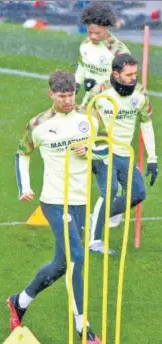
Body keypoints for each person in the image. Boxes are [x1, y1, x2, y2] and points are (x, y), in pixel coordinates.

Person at [9, 70, 106, 344]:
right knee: (78, 256)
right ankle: (83, 326)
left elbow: (106, 148)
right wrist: (24, 187)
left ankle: (20, 301)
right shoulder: (38, 125)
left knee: (62, 265)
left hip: (81, 200)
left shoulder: (89, 117)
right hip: (54, 201)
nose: (67, 100)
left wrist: (91, 151)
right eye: (62, 96)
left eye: (71, 95)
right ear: (51, 94)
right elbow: (22, 153)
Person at [84, 54, 158, 254]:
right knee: (109, 192)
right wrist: (89, 150)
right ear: (115, 74)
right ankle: (95, 242)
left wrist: (153, 159)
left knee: (138, 194)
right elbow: (83, 120)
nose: (133, 78)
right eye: (128, 74)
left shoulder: (140, 94)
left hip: (126, 152)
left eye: (135, 73)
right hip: (103, 150)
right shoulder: (99, 92)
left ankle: (97, 217)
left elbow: (147, 124)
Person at [75, 2, 131, 228]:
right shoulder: (86, 45)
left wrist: (99, 85)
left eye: (97, 32)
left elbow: (122, 80)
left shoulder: (119, 52)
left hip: (112, 107)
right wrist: (77, 84)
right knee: (86, 152)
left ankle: (113, 207)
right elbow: (81, 66)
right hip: (90, 104)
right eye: (89, 31)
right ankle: (92, 201)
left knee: (108, 155)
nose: (93, 36)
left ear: (107, 28)